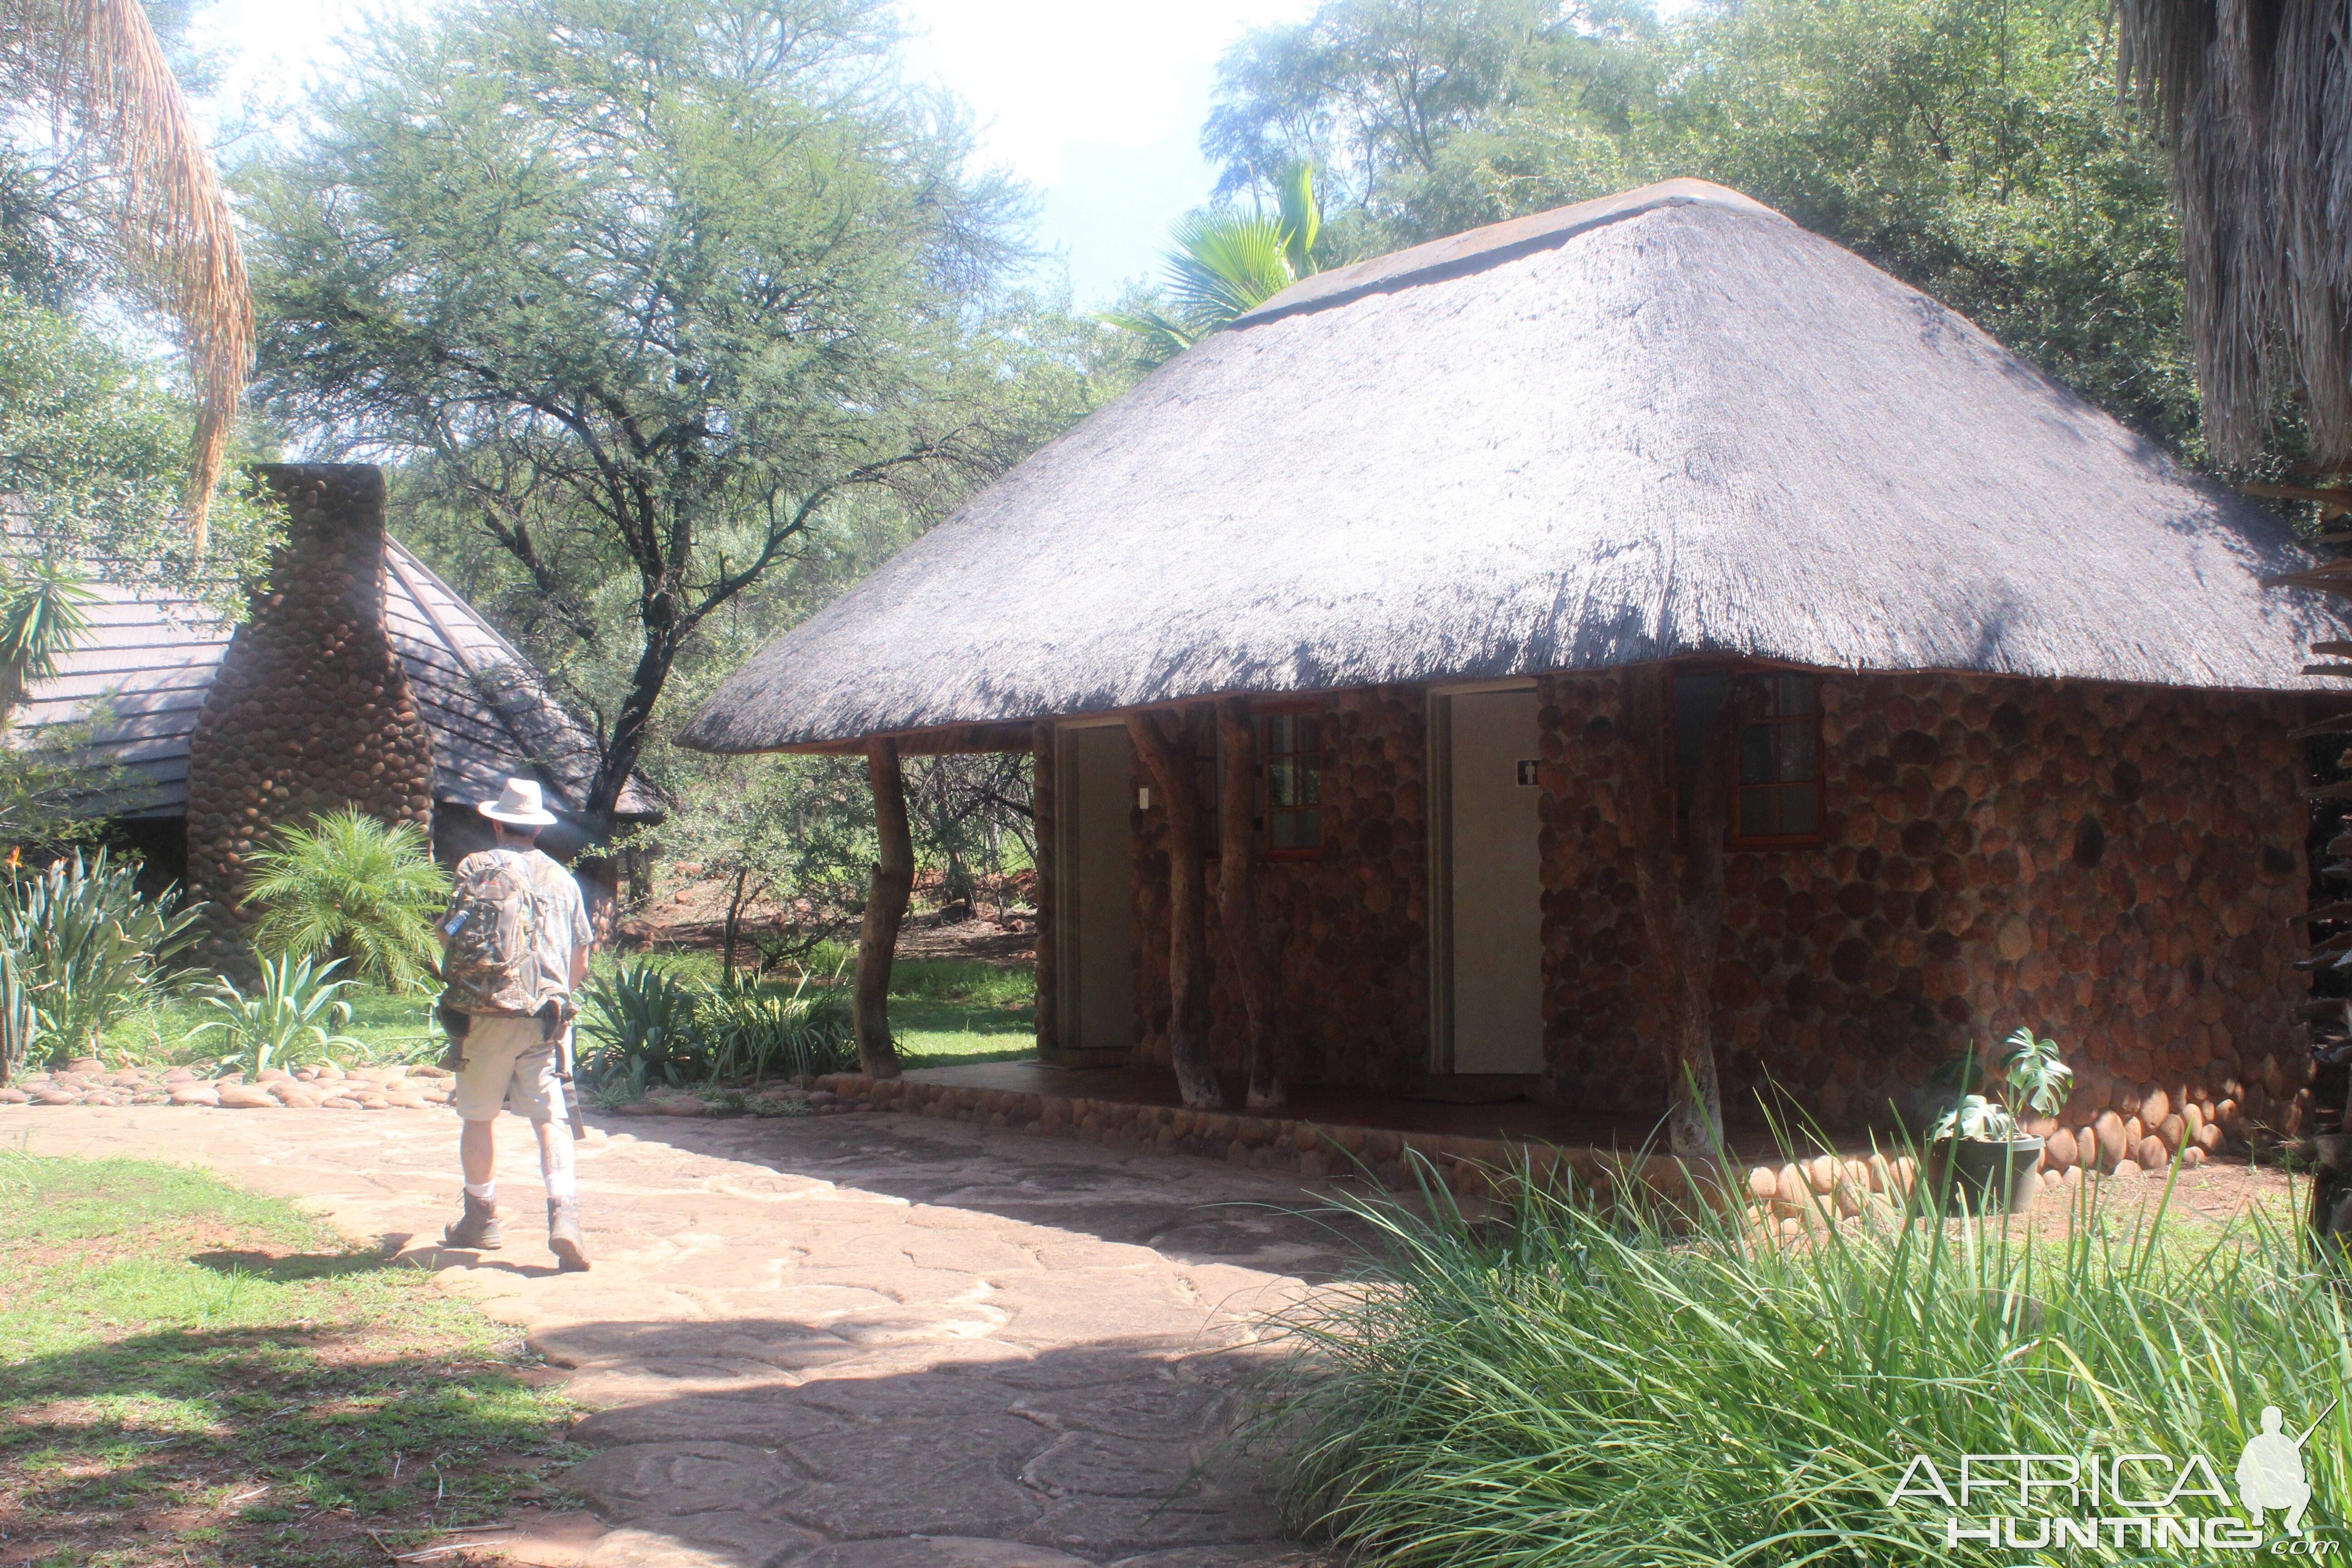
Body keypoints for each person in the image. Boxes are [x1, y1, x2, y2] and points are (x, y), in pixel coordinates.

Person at [438, 777, 594, 1271]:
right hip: (544, 1017)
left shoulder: (475, 869)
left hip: (483, 1014)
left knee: (478, 1115)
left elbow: (449, 938)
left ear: (496, 821)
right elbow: (582, 957)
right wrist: (560, 998)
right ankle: (563, 1215)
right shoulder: (562, 879)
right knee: (551, 1118)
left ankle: (481, 1218)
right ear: (538, 829)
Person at [2236, 1405, 2313, 1535]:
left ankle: (2292, 1523)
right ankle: (2258, 1513)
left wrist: (2285, 1476)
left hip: (2283, 1494)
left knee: (2305, 1489)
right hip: (2259, 1495)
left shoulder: (2287, 1444)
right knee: (2245, 1487)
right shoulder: (2255, 1444)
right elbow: (2241, 1474)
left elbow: (2300, 1474)